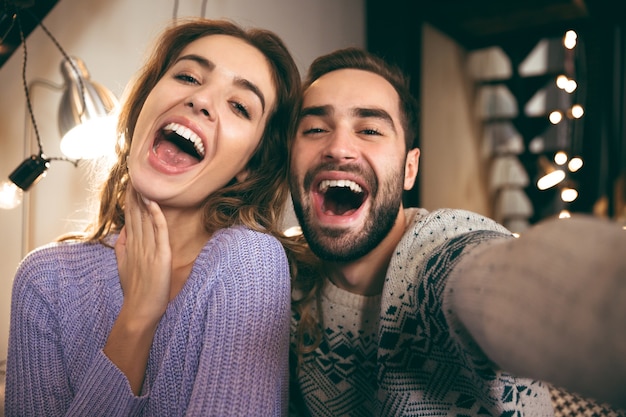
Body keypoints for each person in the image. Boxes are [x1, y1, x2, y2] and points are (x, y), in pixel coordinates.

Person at [288, 47, 626, 416]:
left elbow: (494, 275)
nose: (338, 148)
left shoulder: (438, 249)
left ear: (409, 169)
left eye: (370, 130)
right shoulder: (286, 280)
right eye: (316, 129)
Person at [5, 17, 301, 416]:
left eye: (239, 106)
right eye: (189, 77)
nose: (201, 101)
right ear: (146, 103)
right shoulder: (45, 282)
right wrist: (138, 317)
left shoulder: (250, 264)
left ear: (250, 164)